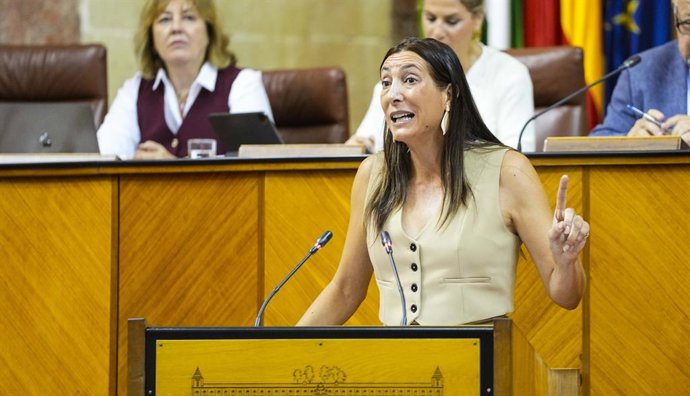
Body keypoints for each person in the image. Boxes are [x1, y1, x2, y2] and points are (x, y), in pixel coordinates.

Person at [298, 37, 588, 327]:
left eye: (409, 79)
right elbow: (346, 289)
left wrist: (566, 262)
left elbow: (566, 296)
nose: (393, 94)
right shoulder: (372, 175)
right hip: (397, 362)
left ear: (448, 95)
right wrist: (277, 351)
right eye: (386, 83)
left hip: (480, 358)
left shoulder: (507, 171)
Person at [346, 0, 536, 153]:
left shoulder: (509, 73)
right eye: (430, 18)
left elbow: (518, 153)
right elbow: (363, 142)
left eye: (451, 21)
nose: (437, 32)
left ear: (477, 18)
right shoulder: (395, 83)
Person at [97, 0, 274, 159]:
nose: (176, 28)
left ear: (209, 32)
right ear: (151, 37)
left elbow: (256, 174)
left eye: (189, 18)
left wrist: (172, 168)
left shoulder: (242, 85)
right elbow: (103, 159)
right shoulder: (134, 90)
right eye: (165, 20)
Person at [591, 0, 690, 143]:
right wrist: (629, 143)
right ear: (676, 17)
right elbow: (597, 142)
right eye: (688, 21)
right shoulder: (640, 71)